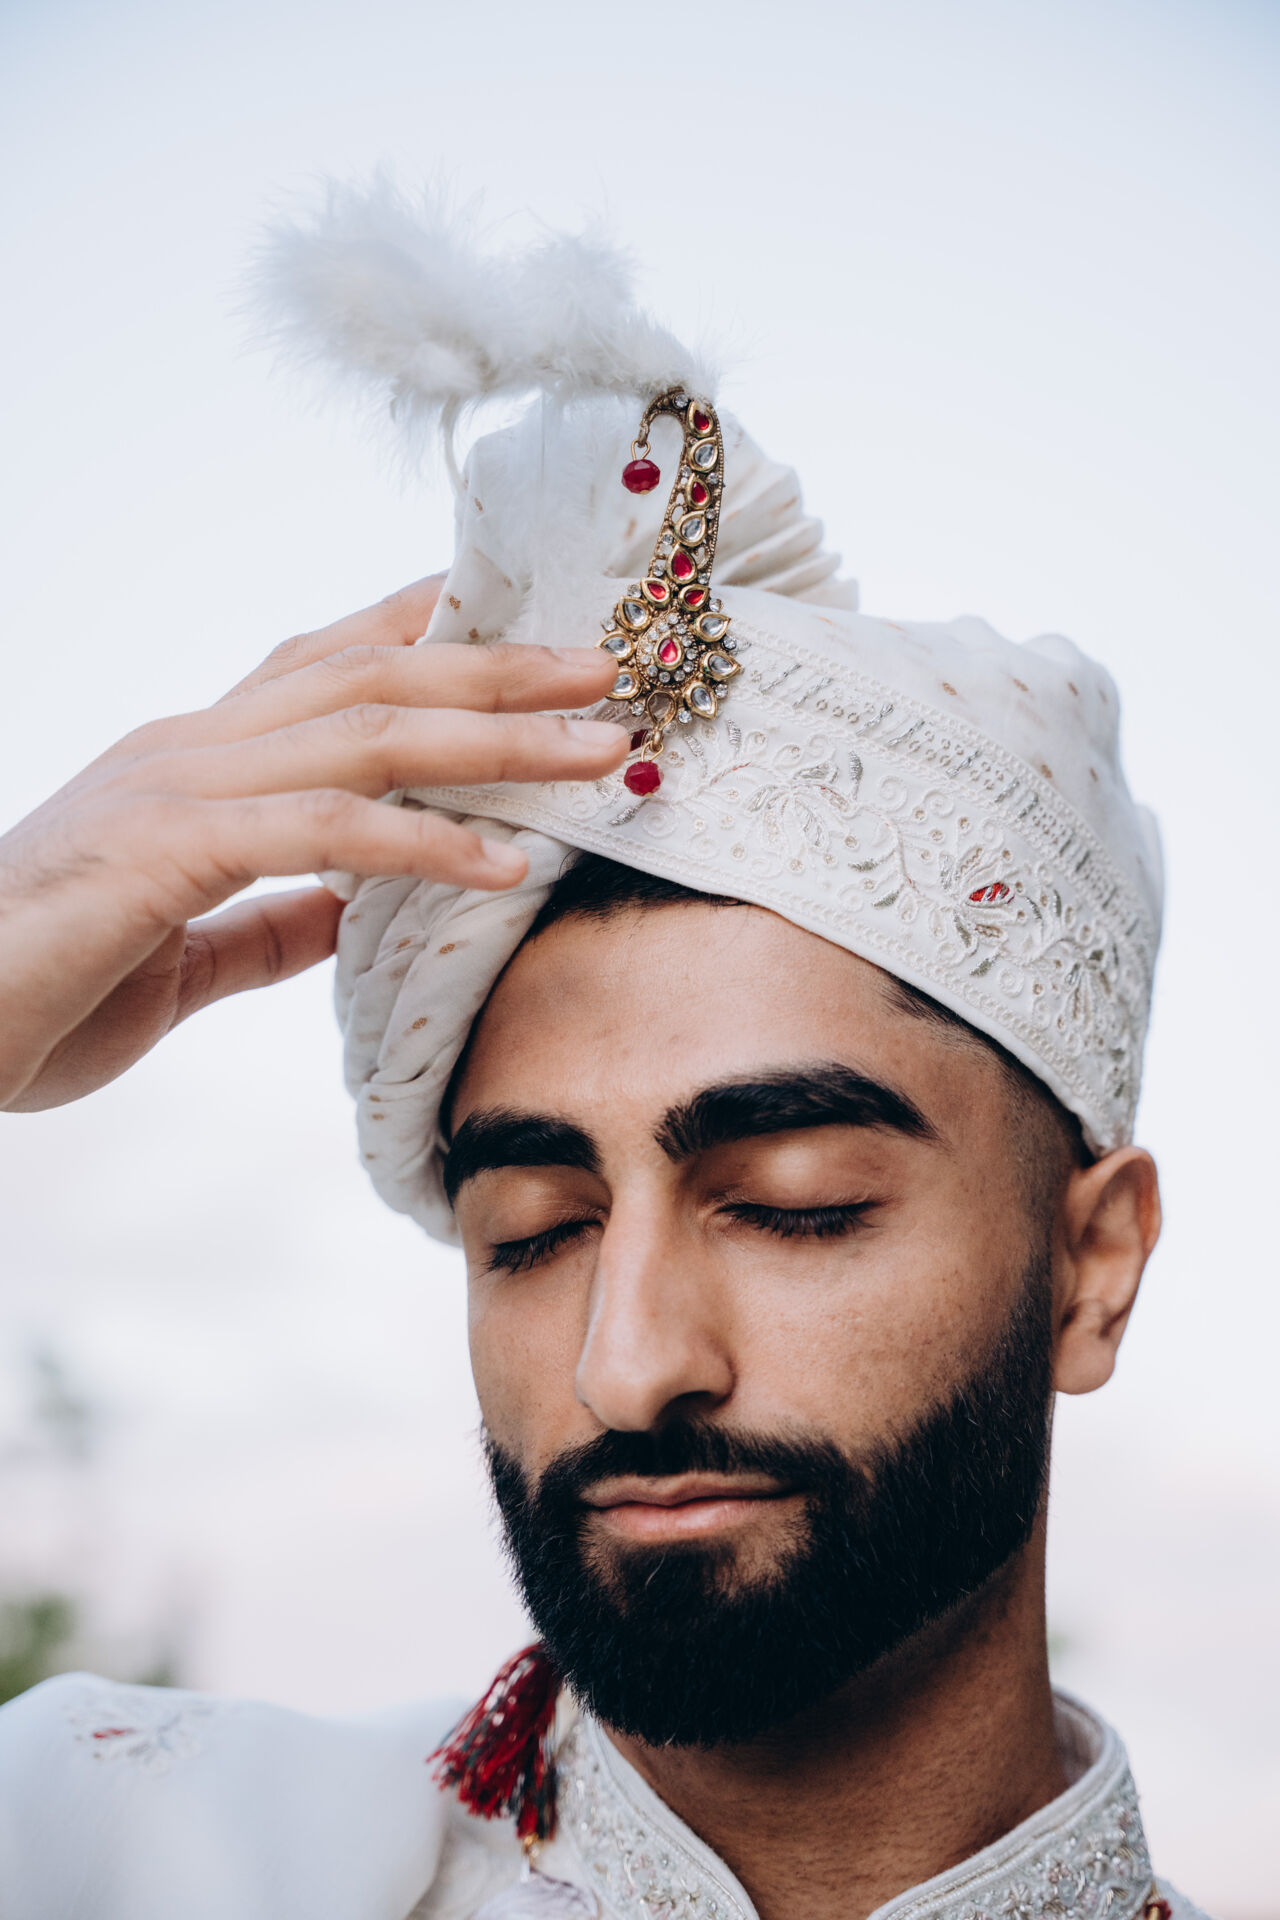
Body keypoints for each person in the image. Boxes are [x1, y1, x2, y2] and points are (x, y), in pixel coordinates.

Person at [0, 190, 1206, 1920]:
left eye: (792, 1203)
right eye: (535, 1233)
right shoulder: (119, 1850)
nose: (627, 1367)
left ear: (1094, 1265)